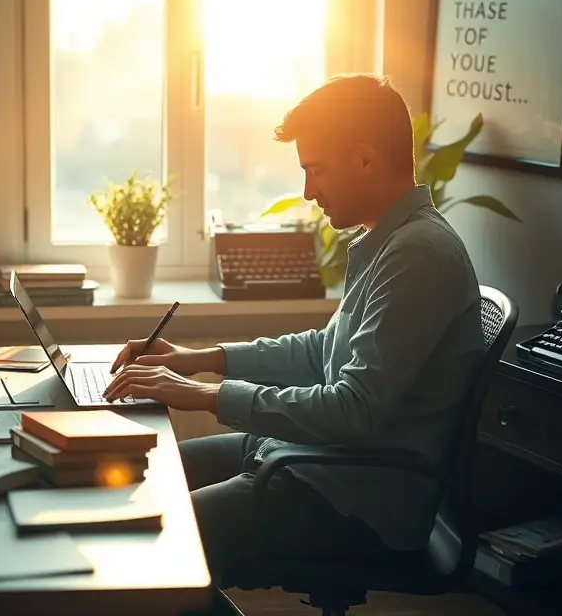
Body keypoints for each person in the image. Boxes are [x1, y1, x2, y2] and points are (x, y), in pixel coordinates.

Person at [103, 74, 486, 592]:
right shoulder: (388, 240)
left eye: (316, 170)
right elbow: (320, 351)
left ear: (366, 159)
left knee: (158, 535)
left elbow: (354, 409)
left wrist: (207, 395)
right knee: (142, 472)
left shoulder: (417, 256)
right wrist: (201, 358)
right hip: (308, 463)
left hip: (355, 501)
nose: (308, 191)